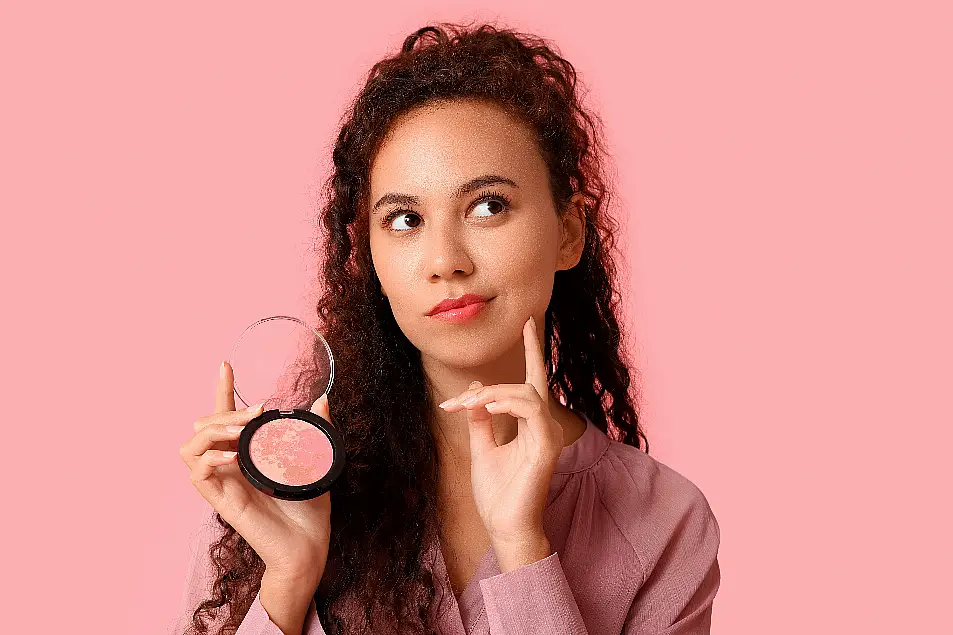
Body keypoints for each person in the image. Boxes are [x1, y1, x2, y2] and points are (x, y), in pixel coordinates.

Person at [175, 22, 720, 635]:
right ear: (370, 260)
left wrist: (522, 549)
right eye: (405, 219)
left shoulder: (666, 523)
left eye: (488, 207)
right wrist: (289, 575)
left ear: (568, 231)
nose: (444, 261)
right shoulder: (285, 474)